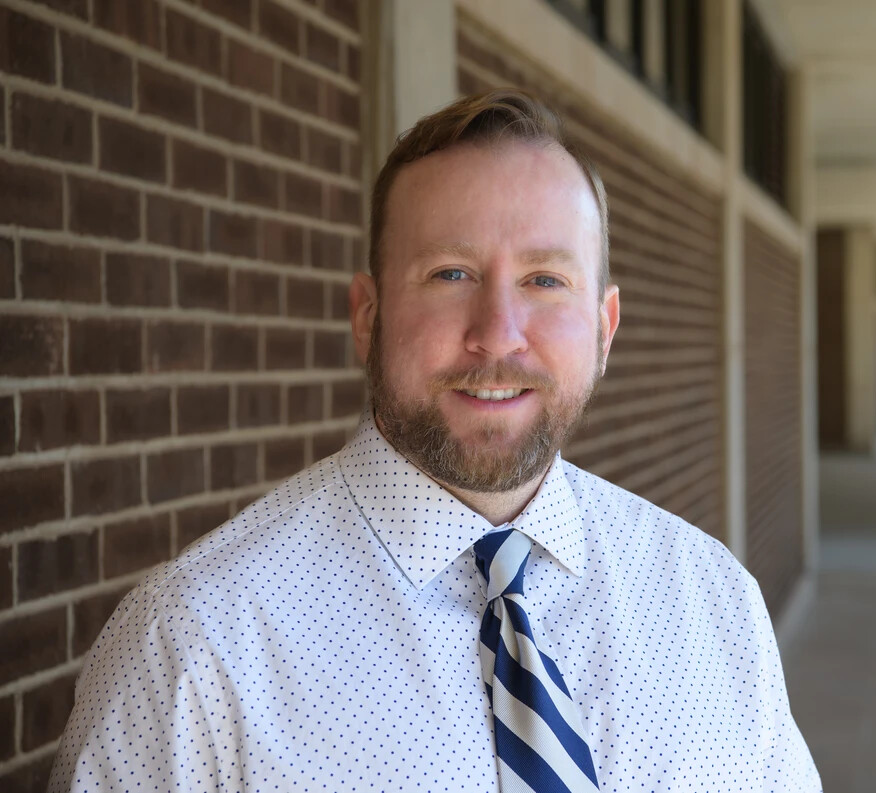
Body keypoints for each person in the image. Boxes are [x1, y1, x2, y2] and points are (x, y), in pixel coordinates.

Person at [50, 90, 820, 792]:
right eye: (451, 274)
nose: (497, 335)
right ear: (367, 314)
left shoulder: (716, 603)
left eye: (545, 280)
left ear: (604, 326)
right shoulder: (195, 645)